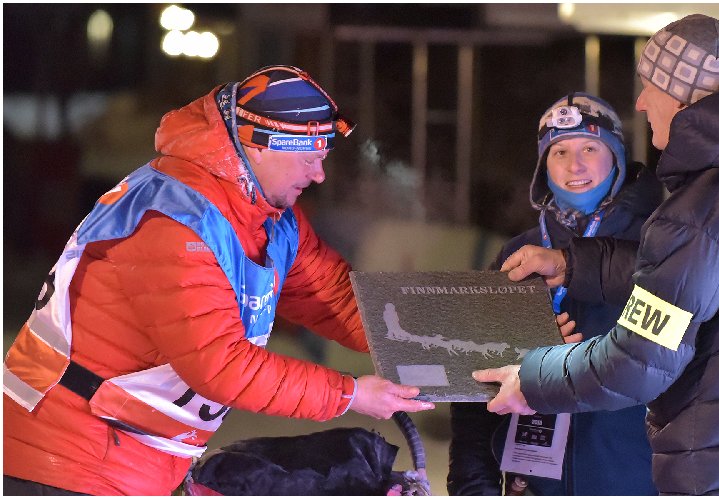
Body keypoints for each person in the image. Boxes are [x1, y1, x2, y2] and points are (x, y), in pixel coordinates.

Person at [3, 65, 435, 496]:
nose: (318, 174)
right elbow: (220, 364)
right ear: (260, 147)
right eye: (310, 158)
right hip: (60, 459)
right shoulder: (174, 221)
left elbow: (340, 301)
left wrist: (461, 340)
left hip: (139, 454)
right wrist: (350, 395)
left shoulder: (271, 219)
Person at [473, 14, 719, 495]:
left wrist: (533, 377)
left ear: (681, 91)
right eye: (560, 152)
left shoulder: (701, 206)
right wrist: (572, 265)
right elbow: (695, 279)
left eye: (651, 86)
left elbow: (639, 360)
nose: (642, 101)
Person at [448, 93, 660, 495]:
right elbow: (474, 381)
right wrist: (473, 485)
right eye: (559, 151)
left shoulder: (662, 245)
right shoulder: (519, 256)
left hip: (634, 479)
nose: (574, 165)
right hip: (536, 481)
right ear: (543, 166)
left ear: (616, 157)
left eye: (590, 148)